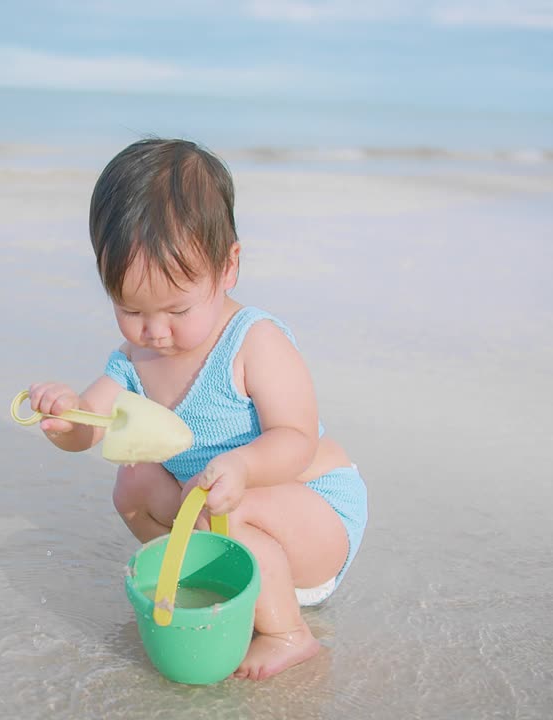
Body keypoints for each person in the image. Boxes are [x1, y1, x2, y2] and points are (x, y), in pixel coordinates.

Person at [26, 138, 368, 680]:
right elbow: (90, 426)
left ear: (229, 266)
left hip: (310, 513)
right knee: (133, 481)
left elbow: (296, 436)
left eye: (178, 308)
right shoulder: (134, 361)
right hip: (219, 517)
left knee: (221, 506)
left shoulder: (252, 341)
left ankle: (286, 631)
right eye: (131, 308)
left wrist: (245, 467)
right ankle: (204, 580)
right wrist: (64, 417)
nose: (155, 332)